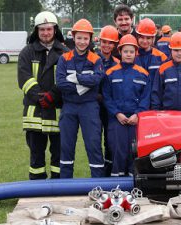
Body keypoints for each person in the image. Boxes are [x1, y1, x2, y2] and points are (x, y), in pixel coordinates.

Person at [17, 11, 67, 180]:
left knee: (58, 154)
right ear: (36, 31)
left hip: (58, 111)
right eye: (42, 29)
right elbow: (24, 79)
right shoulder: (27, 52)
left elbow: (67, 80)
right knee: (36, 155)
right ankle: (36, 188)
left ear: (55, 30)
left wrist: (53, 96)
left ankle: (58, 186)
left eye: (49, 29)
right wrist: (41, 97)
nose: (46, 33)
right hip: (35, 113)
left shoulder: (65, 52)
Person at [56, 19, 105, 178]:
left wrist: (75, 77)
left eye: (85, 38)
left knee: (93, 145)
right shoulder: (64, 58)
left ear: (90, 39)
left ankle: (98, 184)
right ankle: (65, 185)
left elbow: (97, 80)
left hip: (89, 107)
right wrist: (84, 84)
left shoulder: (95, 59)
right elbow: (61, 83)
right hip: (69, 106)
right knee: (66, 146)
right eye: (79, 38)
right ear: (73, 37)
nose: (82, 42)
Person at [102, 34, 150, 177]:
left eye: (131, 52)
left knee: (134, 151)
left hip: (136, 120)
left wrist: (138, 114)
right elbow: (107, 97)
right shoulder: (110, 73)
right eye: (125, 51)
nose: (128, 54)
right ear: (120, 52)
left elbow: (146, 97)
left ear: (136, 53)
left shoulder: (143, 74)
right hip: (116, 119)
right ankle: (117, 183)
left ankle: (132, 182)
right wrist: (117, 113)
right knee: (118, 150)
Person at [97, 25, 120, 176]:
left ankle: (109, 172)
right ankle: (98, 173)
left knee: (110, 141)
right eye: (104, 41)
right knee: (95, 140)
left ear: (115, 44)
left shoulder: (118, 63)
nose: (107, 45)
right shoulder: (92, 59)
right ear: (99, 41)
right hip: (94, 106)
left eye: (110, 42)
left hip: (111, 108)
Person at [135, 18, 167, 87]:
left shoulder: (161, 57)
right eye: (142, 37)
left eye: (148, 38)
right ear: (137, 37)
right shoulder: (132, 56)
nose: (145, 41)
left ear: (153, 38)